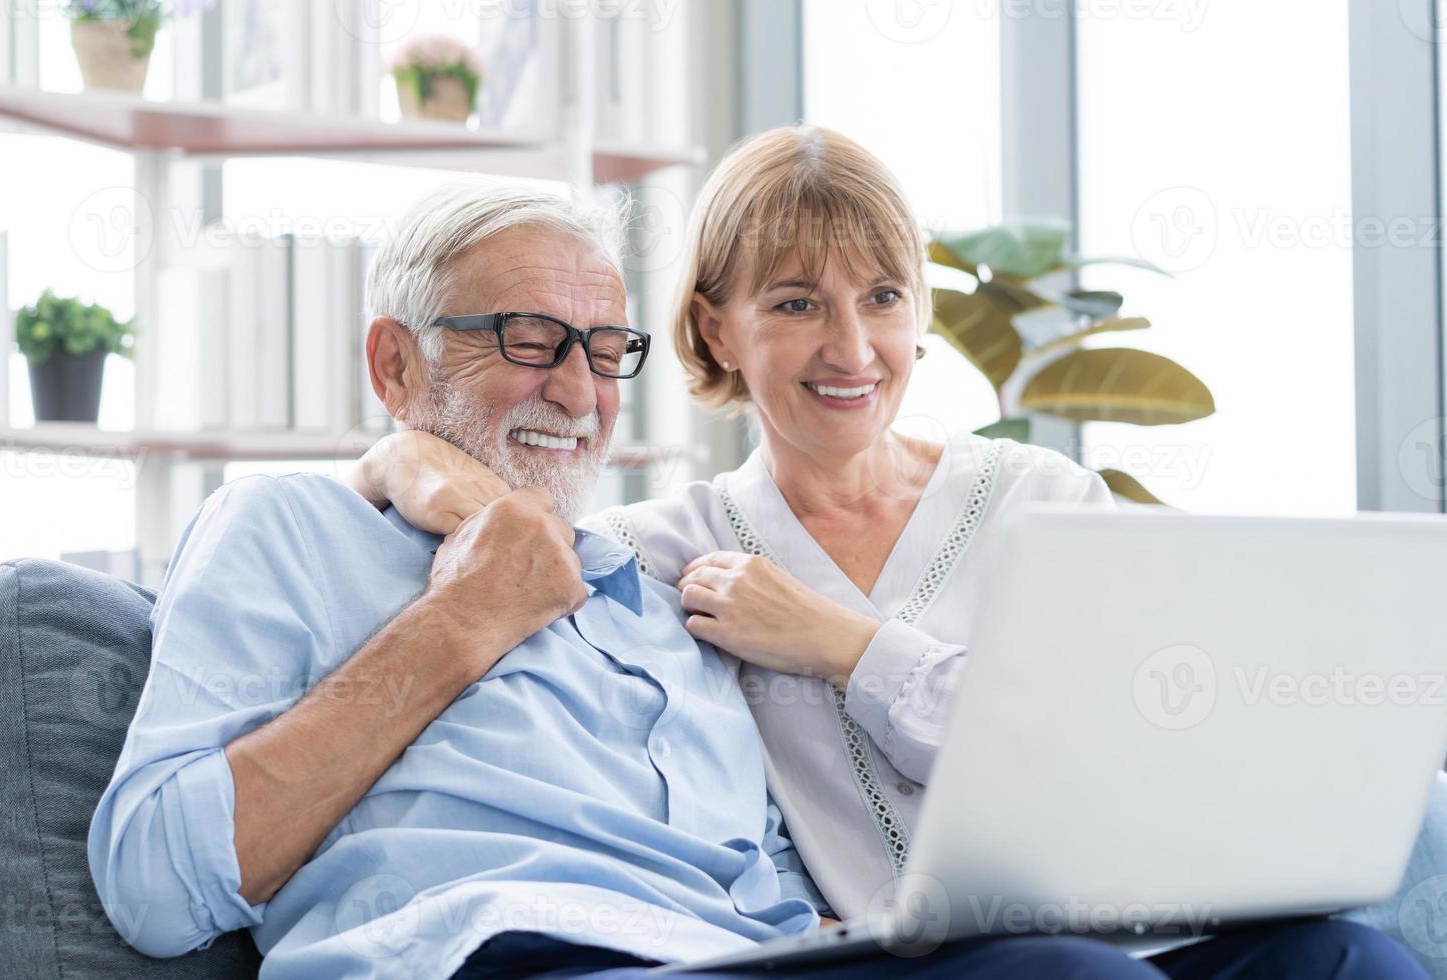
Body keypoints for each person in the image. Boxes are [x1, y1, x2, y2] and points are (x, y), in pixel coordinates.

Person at [343, 127, 1428, 978]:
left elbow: (1129, 752)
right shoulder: (657, 553)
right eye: (797, 302)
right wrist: (401, 456)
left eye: (883, 297)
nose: (852, 348)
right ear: (717, 328)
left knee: (1353, 958)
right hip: (909, 965)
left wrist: (850, 648)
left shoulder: (1047, 504)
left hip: (1147, 935)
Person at [86, 180, 1228, 980]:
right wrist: (463, 617)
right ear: (395, 361)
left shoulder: (654, 577)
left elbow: (767, 858)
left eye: (605, 348)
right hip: (506, 951)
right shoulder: (284, 529)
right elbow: (152, 882)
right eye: (531, 339)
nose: (579, 392)